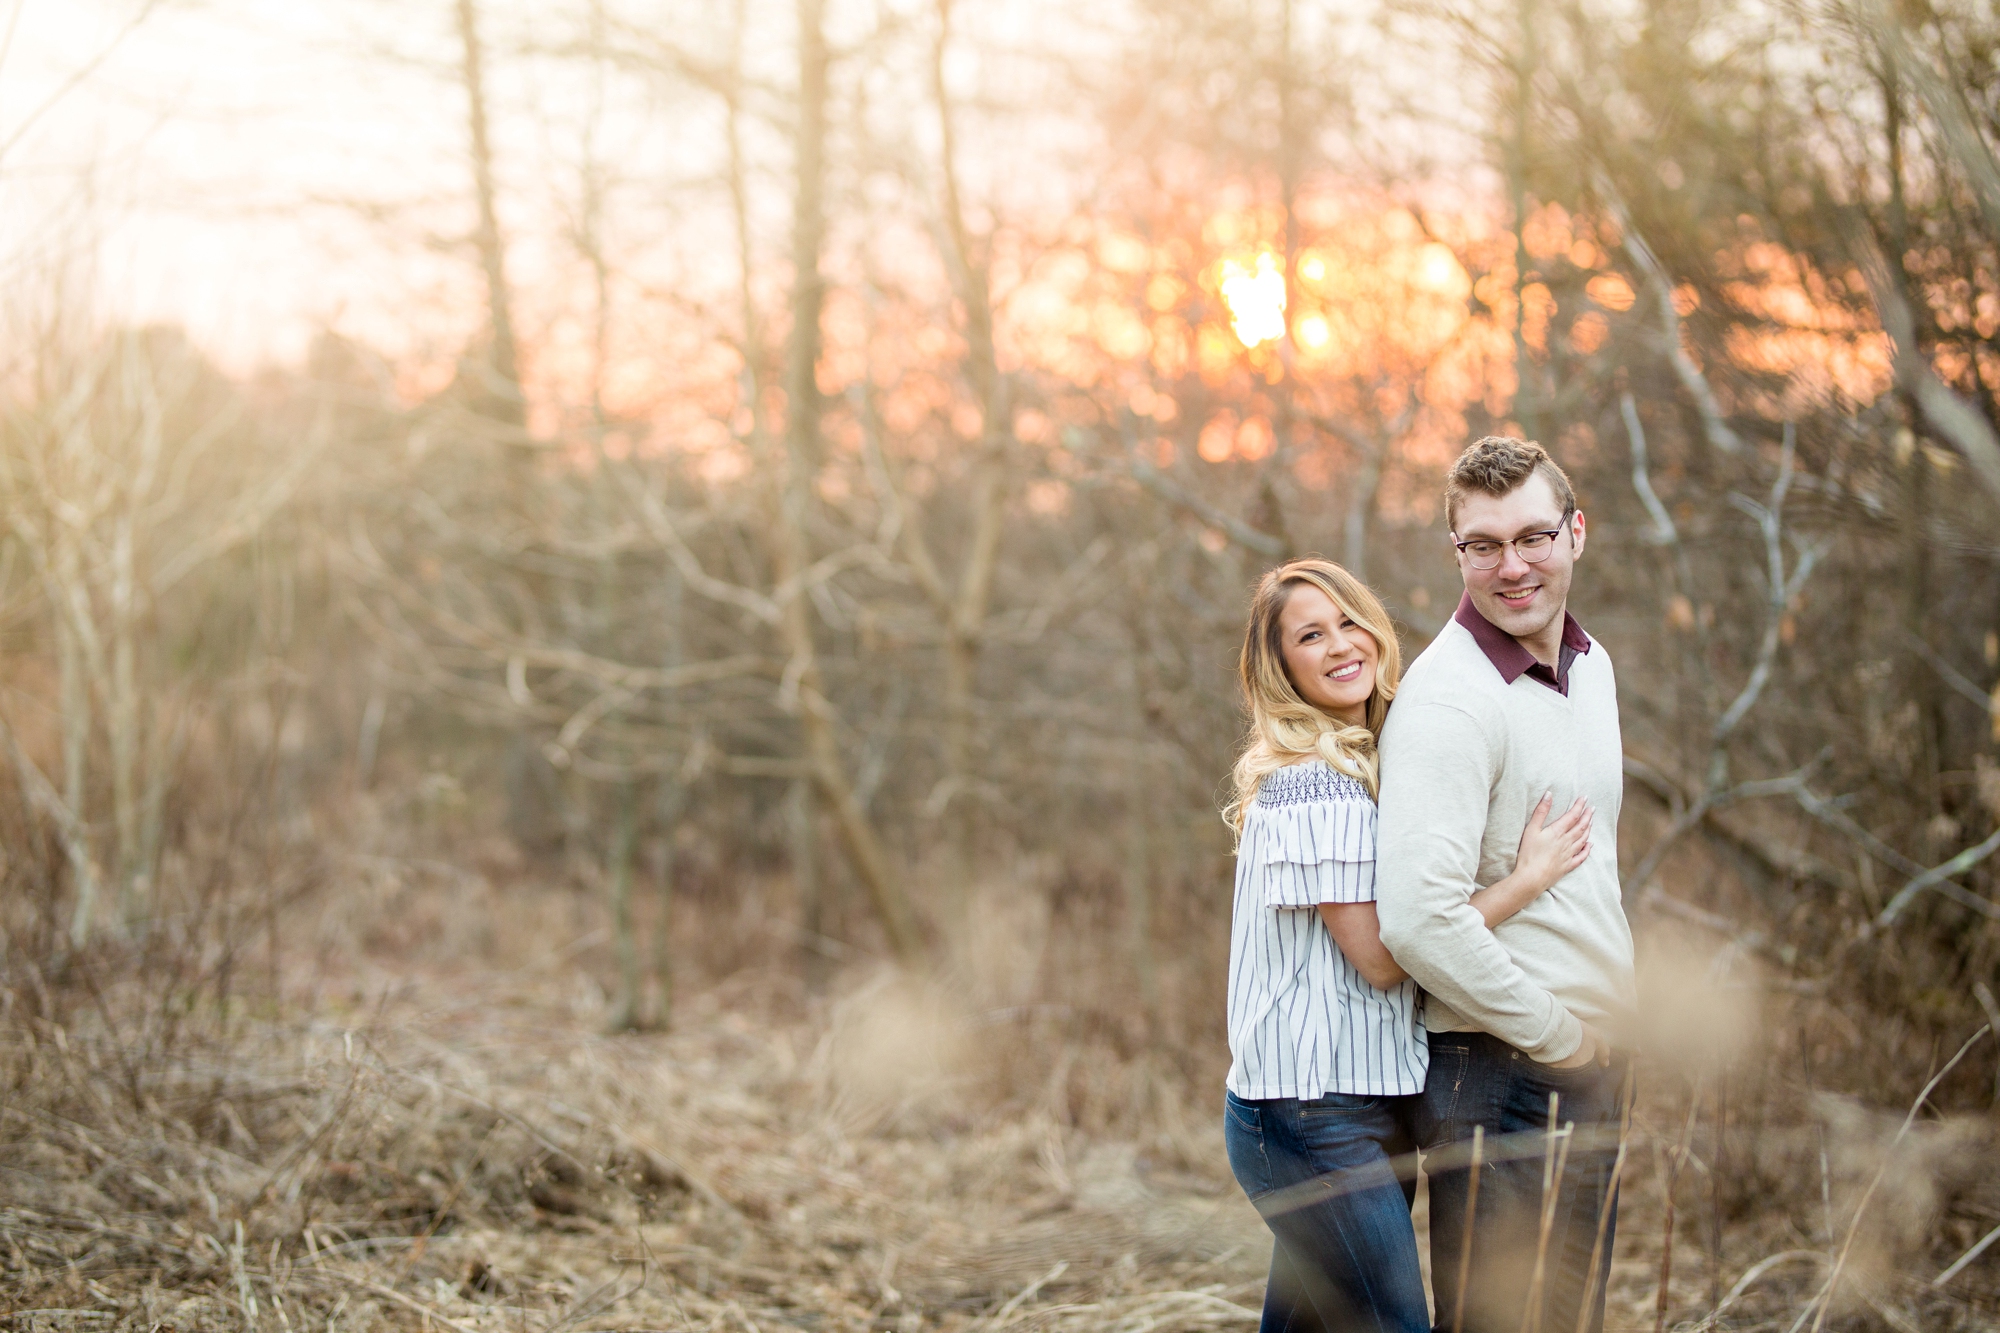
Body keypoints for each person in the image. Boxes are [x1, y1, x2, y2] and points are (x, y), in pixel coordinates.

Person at [1223, 557, 1593, 1333]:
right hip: (1308, 1115)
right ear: (1280, 666)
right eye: (1310, 635)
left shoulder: (1363, 768)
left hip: (1363, 1106)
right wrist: (1523, 881)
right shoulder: (1312, 786)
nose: (1339, 644)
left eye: (1349, 620)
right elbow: (1385, 957)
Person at [1375, 437, 1636, 1333]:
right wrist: (1560, 1035)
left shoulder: (1590, 666)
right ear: (1457, 553)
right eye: (1483, 544)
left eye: (1533, 536)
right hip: (1502, 1071)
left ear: (1577, 532)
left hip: (1586, 1064)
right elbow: (1416, 921)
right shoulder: (1450, 700)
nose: (1512, 565)